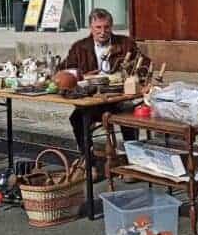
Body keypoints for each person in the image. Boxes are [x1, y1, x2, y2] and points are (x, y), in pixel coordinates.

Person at [60, 9, 148, 158]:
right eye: (98, 28)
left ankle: (133, 160)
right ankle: (89, 162)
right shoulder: (79, 47)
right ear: (91, 28)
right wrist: (82, 76)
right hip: (92, 101)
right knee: (77, 119)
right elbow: (64, 70)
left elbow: (145, 64)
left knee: (128, 117)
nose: (102, 32)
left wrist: (140, 79)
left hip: (119, 99)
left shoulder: (125, 44)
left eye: (106, 27)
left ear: (111, 27)